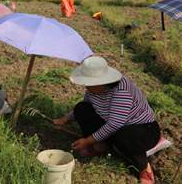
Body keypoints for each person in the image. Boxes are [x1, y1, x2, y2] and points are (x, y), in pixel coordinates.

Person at [53, 56, 161, 184]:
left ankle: (143, 167)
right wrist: (65, 119)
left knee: (123, 136)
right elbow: (87, 103)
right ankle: (103, 145)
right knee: (82, 109)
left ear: (102, 81)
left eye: (89, 83)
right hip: (114, 124)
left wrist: (87, 140)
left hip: (142, 129)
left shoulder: (121, 91)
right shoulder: (93, 89)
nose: (86, 87)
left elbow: (115, 124)